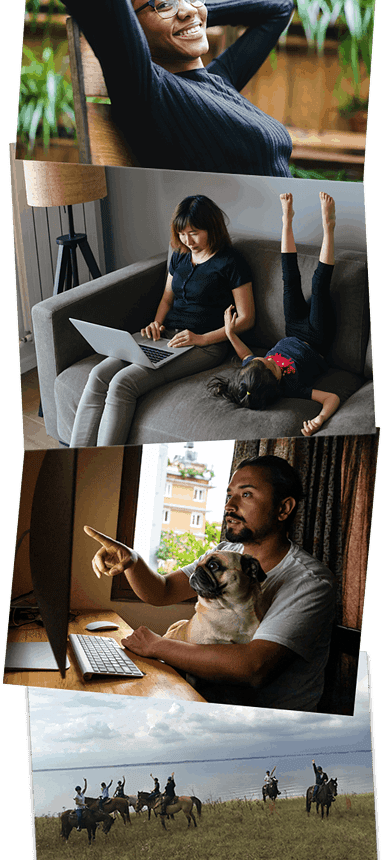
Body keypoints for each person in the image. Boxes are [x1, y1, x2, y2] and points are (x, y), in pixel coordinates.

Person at [84, 453, 336, 712]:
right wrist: (131, 560)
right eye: (229, 495)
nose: (229, 505)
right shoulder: (227, 551)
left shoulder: (309, 581)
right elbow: (163, 591)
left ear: (283, 508)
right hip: (205, 700)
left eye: (246, 494)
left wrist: (157, 645)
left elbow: (253, 667)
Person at [56, 0, 294, 176]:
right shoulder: (149, 91)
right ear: (131, 26)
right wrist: (178, 15)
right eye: (163, 4)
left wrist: (198, 12)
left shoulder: (219, 80)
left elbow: (280, 8)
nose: (187, 9)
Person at [69, 195, 254, 447]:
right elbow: (167, 299)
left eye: (194, 233)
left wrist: (201, 338)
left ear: (213, 228)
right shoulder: (179, 255)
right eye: (182, 234)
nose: (188, 240)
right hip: (165, 335)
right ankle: (77, 454)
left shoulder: (232, 262)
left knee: (123, 383)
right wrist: (156, 324)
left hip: (204, 345)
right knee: (99, 374)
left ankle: (105, 460)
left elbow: (246, 319)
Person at [210, 192, 340, 437]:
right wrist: (319, 419)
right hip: (317, 337)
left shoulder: (253, 369)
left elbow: (245, 354)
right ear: (277, 378)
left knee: (289, 278)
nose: (269, 357)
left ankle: (287, 220)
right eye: (271, 363)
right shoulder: (292, 387)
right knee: (319, 284)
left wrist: (229, 332)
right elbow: (331, 397)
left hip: (293, 328)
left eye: (263, 359)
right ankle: (329, 226)